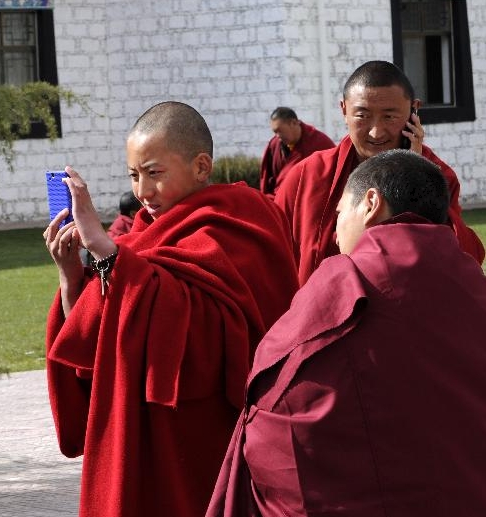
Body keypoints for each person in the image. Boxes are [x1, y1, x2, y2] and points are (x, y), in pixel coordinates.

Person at [43, 101, 299, 517]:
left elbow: (218, 331)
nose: (142, 192)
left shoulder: (241, 221)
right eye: (134, 175)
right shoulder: (138, 238)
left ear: (201, 167)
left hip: (204, 437)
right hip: (135, 426)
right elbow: (93, 344)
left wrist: (109, 254)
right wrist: (72, 276)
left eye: (154, 173)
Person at [207, 149, 486, 516]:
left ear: (371, 203)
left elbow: (273, 399)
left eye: (339, 214)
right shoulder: (472, 282)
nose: (337, 237)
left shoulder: (345, 279)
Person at [275, 60, 484, 285]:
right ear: (344, 110)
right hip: (322, 311)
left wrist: (413, 171)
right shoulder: (305, 177)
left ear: (414, 110)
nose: (375, 132)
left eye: (389, 116)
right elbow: (274, 257)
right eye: (362, 116)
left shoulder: (438, 176)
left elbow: (460, 257)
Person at [259, 107, 334, 197]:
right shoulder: (274, 145)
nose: (277, 136)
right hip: (278, 200)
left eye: (279, 131)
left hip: (308, 200)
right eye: (275, 132)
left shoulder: (319, 143)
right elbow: (267, 180)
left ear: (293, 123)